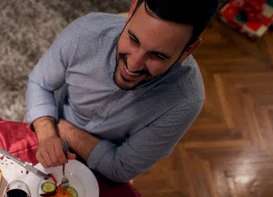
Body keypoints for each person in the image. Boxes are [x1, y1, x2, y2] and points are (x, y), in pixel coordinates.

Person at [25, 0, 219, 182]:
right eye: (133, 39)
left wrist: (63, 129)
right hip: (48, 132)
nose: (133, 66)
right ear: (132, 8)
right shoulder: (83, 33)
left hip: (99, 170)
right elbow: (39, 84)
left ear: (188, 51)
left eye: (157, 55)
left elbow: (120, 168)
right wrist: (48, 133)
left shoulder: (186, 101)